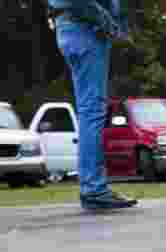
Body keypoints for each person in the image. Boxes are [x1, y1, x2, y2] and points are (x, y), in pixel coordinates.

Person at [47, 0, 138, 211]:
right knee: (92, 113)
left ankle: (92, 188)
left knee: (88, 112)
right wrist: (109, 24)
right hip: (85, 29)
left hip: (70, 26)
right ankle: (94, 189)